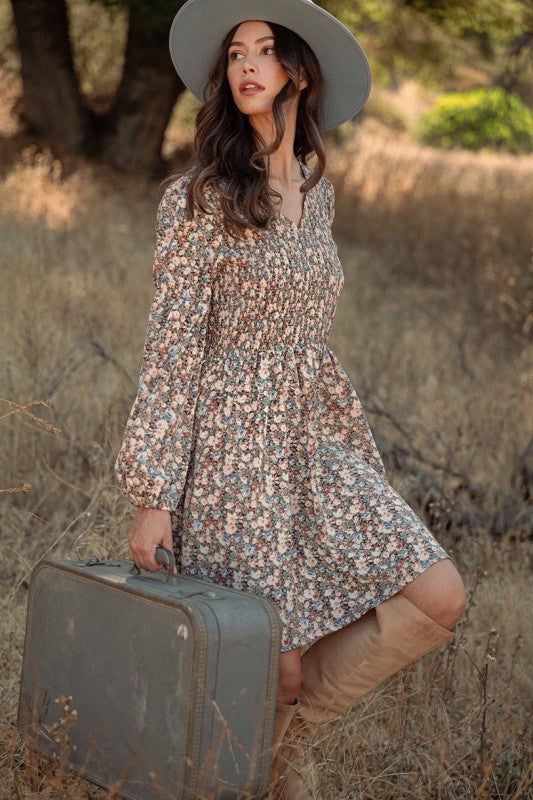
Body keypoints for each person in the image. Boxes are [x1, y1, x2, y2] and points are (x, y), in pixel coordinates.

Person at [115, 0, 466, 797]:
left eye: (265, 50)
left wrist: (338, 442)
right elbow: (172, 349)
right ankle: (260, 774)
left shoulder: (319, 194)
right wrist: (153, 494)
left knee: (436, 596)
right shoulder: (200, 198)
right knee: (270, 668)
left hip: (311, 433)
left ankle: (282, 746)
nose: (245, 64)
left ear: (298, 73)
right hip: (232, 445)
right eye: (235, 52)